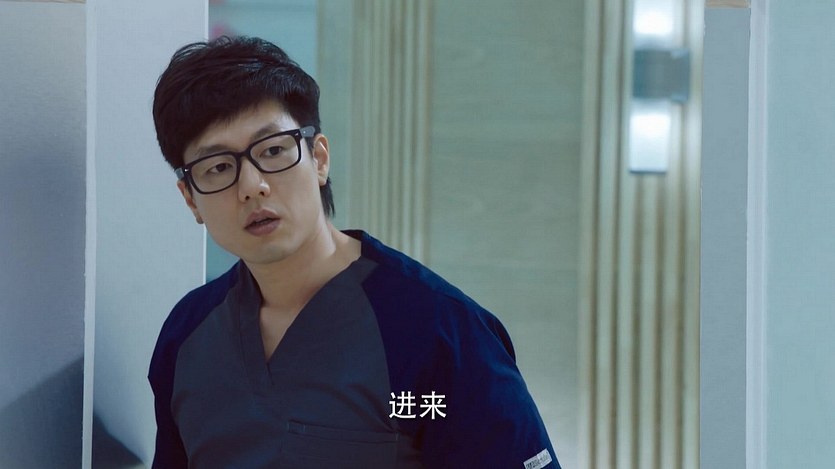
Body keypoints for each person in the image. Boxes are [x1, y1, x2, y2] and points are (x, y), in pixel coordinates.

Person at [148, 35, 559, 469]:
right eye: (217, 168)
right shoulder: (187, 337)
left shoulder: (437, 331)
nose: (253, 186)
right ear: (191, 199)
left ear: (319, 159)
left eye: (273, 150)